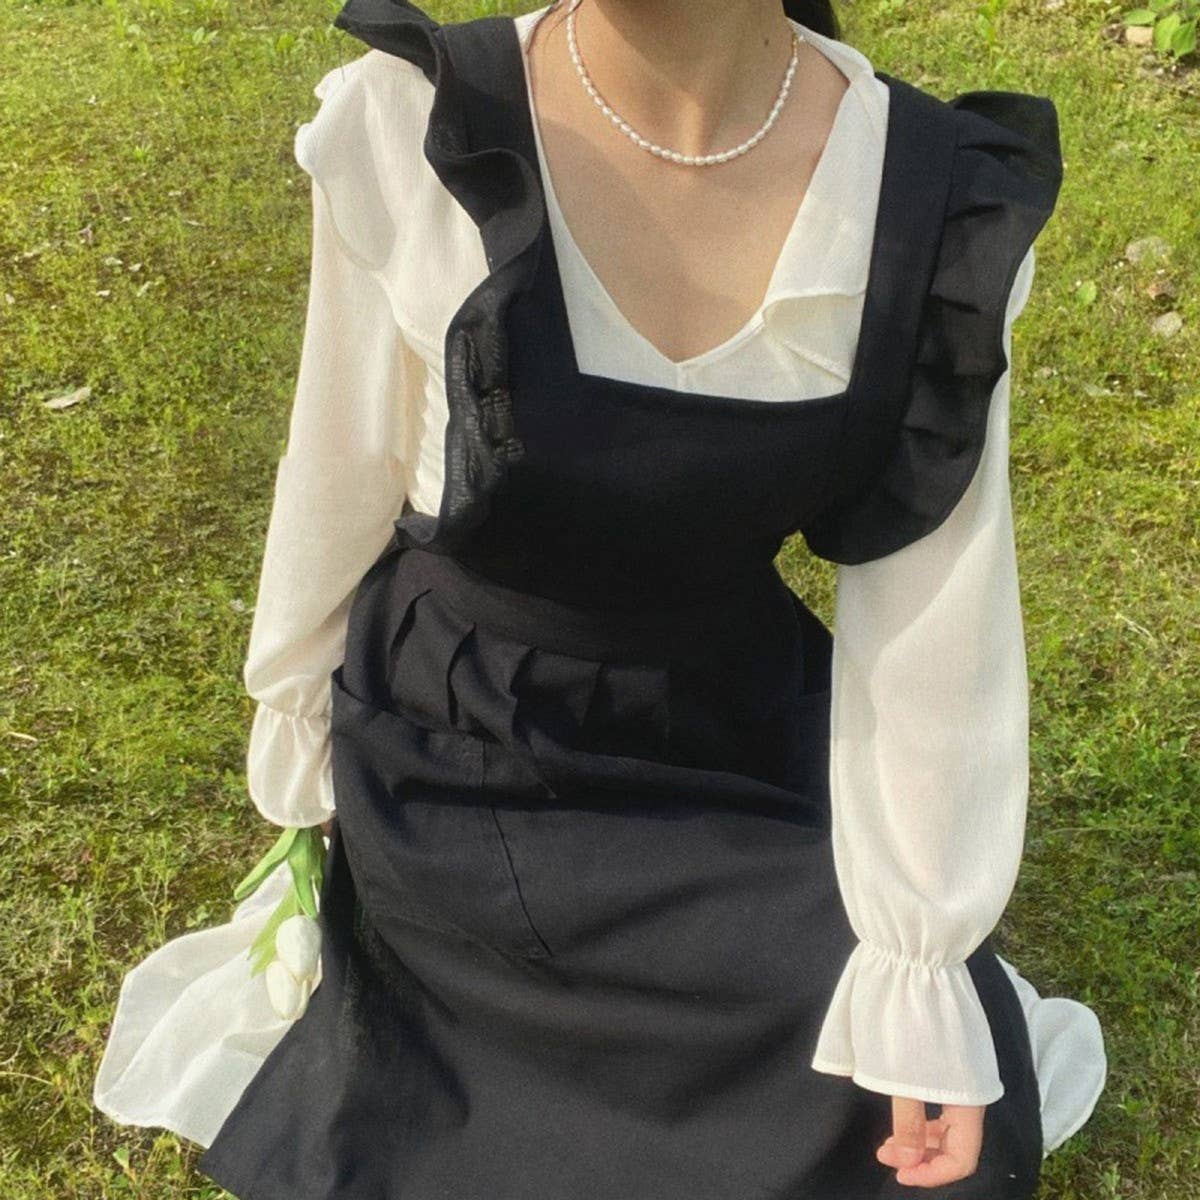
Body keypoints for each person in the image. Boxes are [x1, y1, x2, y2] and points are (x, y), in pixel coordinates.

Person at [93, 0, 1108, 1194]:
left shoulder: (925, 195)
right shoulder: (417, 122)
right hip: (462, 743)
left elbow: (933, 595)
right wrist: (302, 737)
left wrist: (918, 950)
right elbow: (341, 460)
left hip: (738, 730)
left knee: (880, 1092)